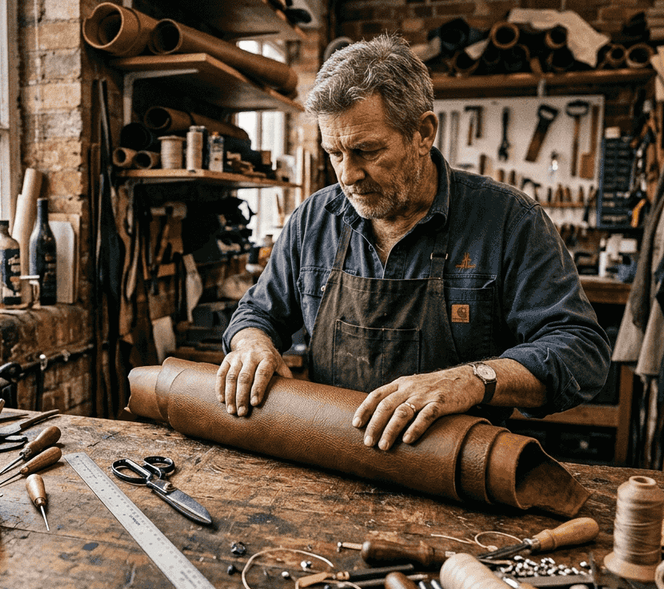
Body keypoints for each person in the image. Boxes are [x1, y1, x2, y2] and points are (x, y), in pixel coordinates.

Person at [216, 34, 611, 452]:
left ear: (423, 133)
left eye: (366, 150)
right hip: (332, 454)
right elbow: (257, 312)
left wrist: (472, 379)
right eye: (334, 153)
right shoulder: (315, 220)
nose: (347, 175)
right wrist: (251, 344)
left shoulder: (510, 222)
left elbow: (580, 353)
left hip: (451, 470)